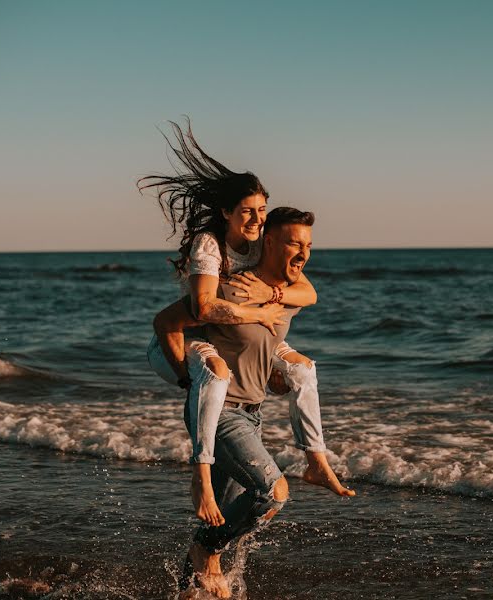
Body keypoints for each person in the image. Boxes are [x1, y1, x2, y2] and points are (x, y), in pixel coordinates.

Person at [149, 208, 354, 597]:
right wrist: (184, 376)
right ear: (269, 242)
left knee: (219, 520)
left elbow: (307, 296)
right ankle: (205, 551)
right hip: (219, 414)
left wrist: (276, 373)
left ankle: (187, 591)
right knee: (272, 493)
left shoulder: (290, 293)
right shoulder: (231, 288)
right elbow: (167, 322)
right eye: (294, 242)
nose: (304, 252)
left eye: (309, 244)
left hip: (252, 414)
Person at [139, 119, 325, 527]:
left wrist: (267, 297)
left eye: (262, 209)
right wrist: (256, 314)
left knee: (299, 368)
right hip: (176, 343)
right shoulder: (211, 245)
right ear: (225, 213)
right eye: (247, 212)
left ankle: (201, 575)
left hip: (222, 343)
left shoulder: (263, 242)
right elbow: (202, 309)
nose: (257, 219)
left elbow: (306, 291)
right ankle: (198, 474)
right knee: (214, 375)